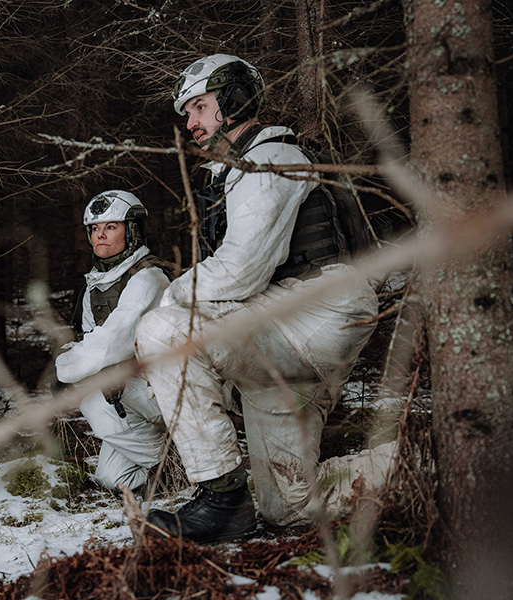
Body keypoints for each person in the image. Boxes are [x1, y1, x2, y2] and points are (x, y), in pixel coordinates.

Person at [135, 54, 395, 543]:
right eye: (185, 113)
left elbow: (240, 270)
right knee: (290, 507)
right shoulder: (236, 169)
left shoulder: (270, 157)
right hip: (293, 334)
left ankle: (222, 498)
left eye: (198, 107)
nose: (189, 123)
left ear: (232, 99)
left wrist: (168, 303)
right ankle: (426, 457)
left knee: (163, 332)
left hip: (316, 310)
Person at [55, 191, 170, 493]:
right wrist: (74, 360)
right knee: (111, 478)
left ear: (132, 230)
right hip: (134, 391)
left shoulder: (148, 277)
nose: (100, 236)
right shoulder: (96, 284)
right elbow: (91, 339)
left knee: (91, 394)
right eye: (94, 229)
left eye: (111, 227)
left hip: (167, 388)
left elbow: (112, 341)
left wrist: (66, 369)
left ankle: (171, 461)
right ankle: (162, 464)